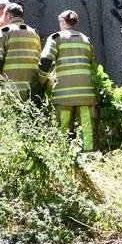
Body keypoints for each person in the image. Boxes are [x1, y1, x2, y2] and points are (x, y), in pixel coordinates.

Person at [39, 10, 98, 151]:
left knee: (64, 130)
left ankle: (65, 158)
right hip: (86, 94)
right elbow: (91, 63)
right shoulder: (86, 39)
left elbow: (45, 61)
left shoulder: (56, 38)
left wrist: (40, 81)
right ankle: (90, 159)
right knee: (88, 129)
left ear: (63, 22)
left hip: (64, 95)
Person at [0, 3, 41, 97]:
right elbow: (39, 60)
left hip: (9, 91)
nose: (2, 17)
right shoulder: (34, 34)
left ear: (9, 15)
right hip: (31, 91)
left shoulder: (2, 32)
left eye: (3, 14)